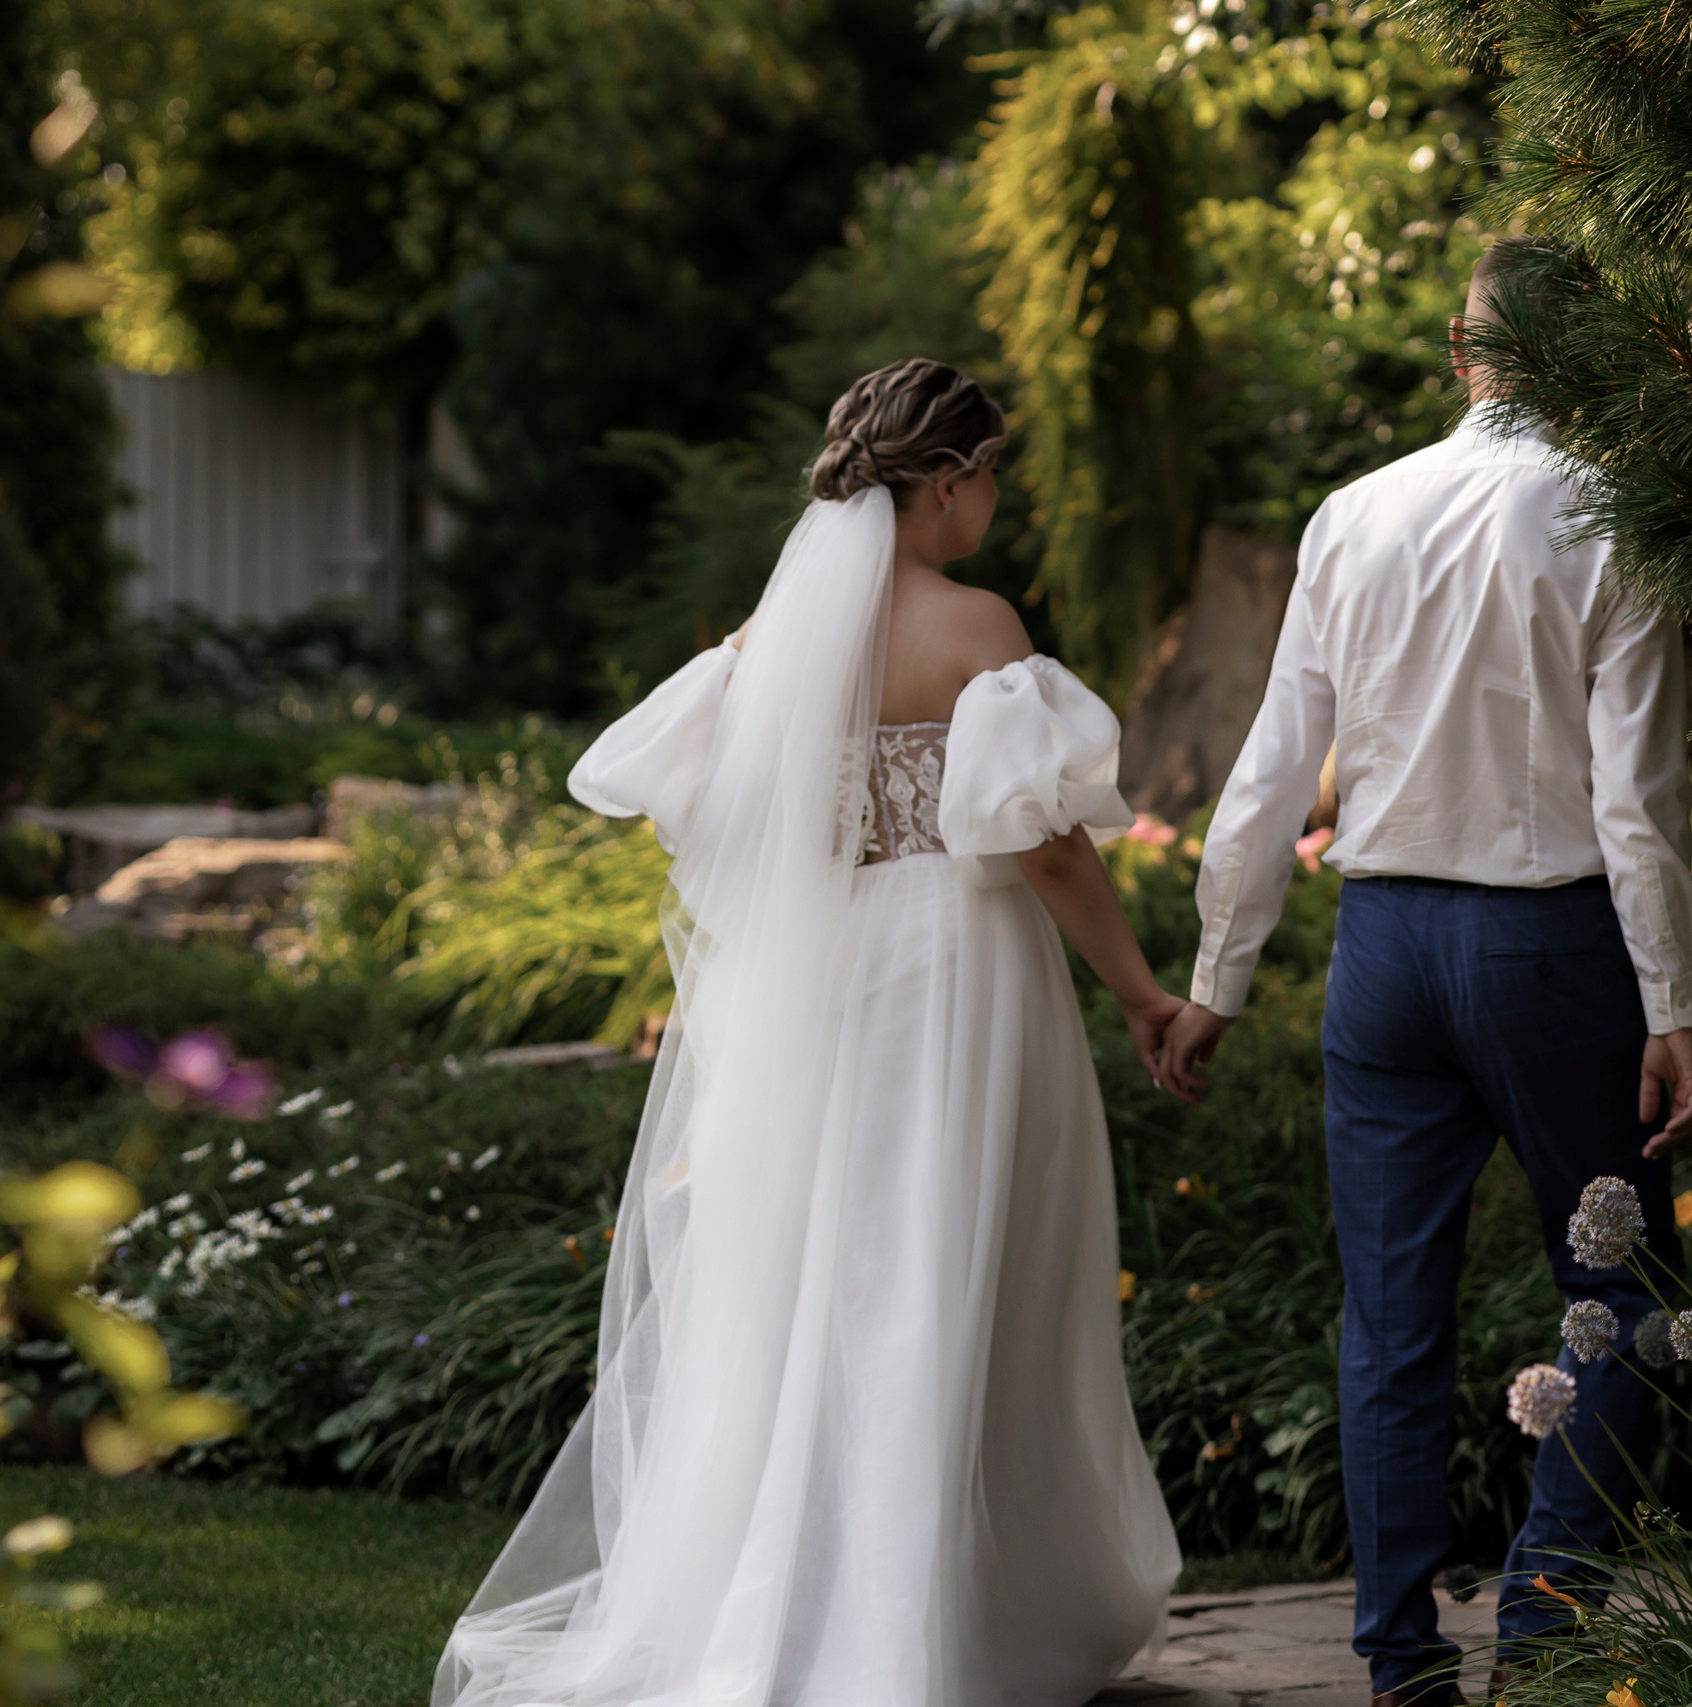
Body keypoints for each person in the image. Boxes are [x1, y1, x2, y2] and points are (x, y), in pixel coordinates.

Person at [434, 359, 1183, 1707]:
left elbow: (703, 808)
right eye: (991, 475)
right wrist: (1140, 991)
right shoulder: (978, 628)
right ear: (947, 482)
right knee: (959, 1274)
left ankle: (797, 1603)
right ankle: (935, 1626)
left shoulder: (769, 643)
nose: (994, 501)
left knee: (820, 1286)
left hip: (826, 982)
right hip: (961, 974)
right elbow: (1052, 850)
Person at [1159, 239, 1692, 1705]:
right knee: (1625, 1294)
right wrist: (1677, 1002)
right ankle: (1542, 1619)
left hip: (1384, 953)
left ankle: (1400, 1658)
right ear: (1583, 363)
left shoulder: (1352, 515)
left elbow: (1272, 770)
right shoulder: (1616, 520)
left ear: (1459, 356)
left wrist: (1219, 978)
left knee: (1390, 1320)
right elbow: (1636, 801)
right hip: (1550, 949)